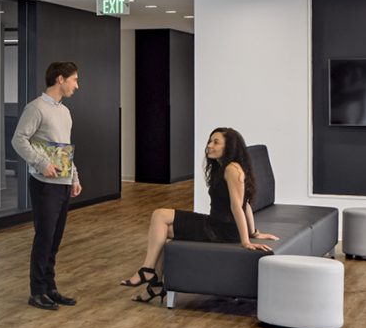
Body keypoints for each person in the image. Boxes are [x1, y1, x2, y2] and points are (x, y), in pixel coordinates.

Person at [120, 127, 279, 301]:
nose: (209, 145)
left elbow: (238, 206)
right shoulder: (226, 167)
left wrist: (246, 241)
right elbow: (247, 202)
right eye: (210, 141)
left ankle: (148, 270)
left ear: (229, 147)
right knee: (161, 231)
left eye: (216, 142)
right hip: (217, 225)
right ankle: (156, 286)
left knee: (160, 215)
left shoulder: (231, 169)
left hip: (220, 230)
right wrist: (254, 231)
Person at [12, 62, 82, 311]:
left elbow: (65, 147)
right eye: (74, 79)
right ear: (60, 79)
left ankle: (50, 287)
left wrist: (74, 177)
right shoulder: (36, 108)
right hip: (44, 184)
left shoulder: (64, 111)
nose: (77, 84)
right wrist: (41, 163)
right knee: (44, 236)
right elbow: (18, 139)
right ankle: (37, 291)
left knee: (56, 238)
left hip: (63, 183)